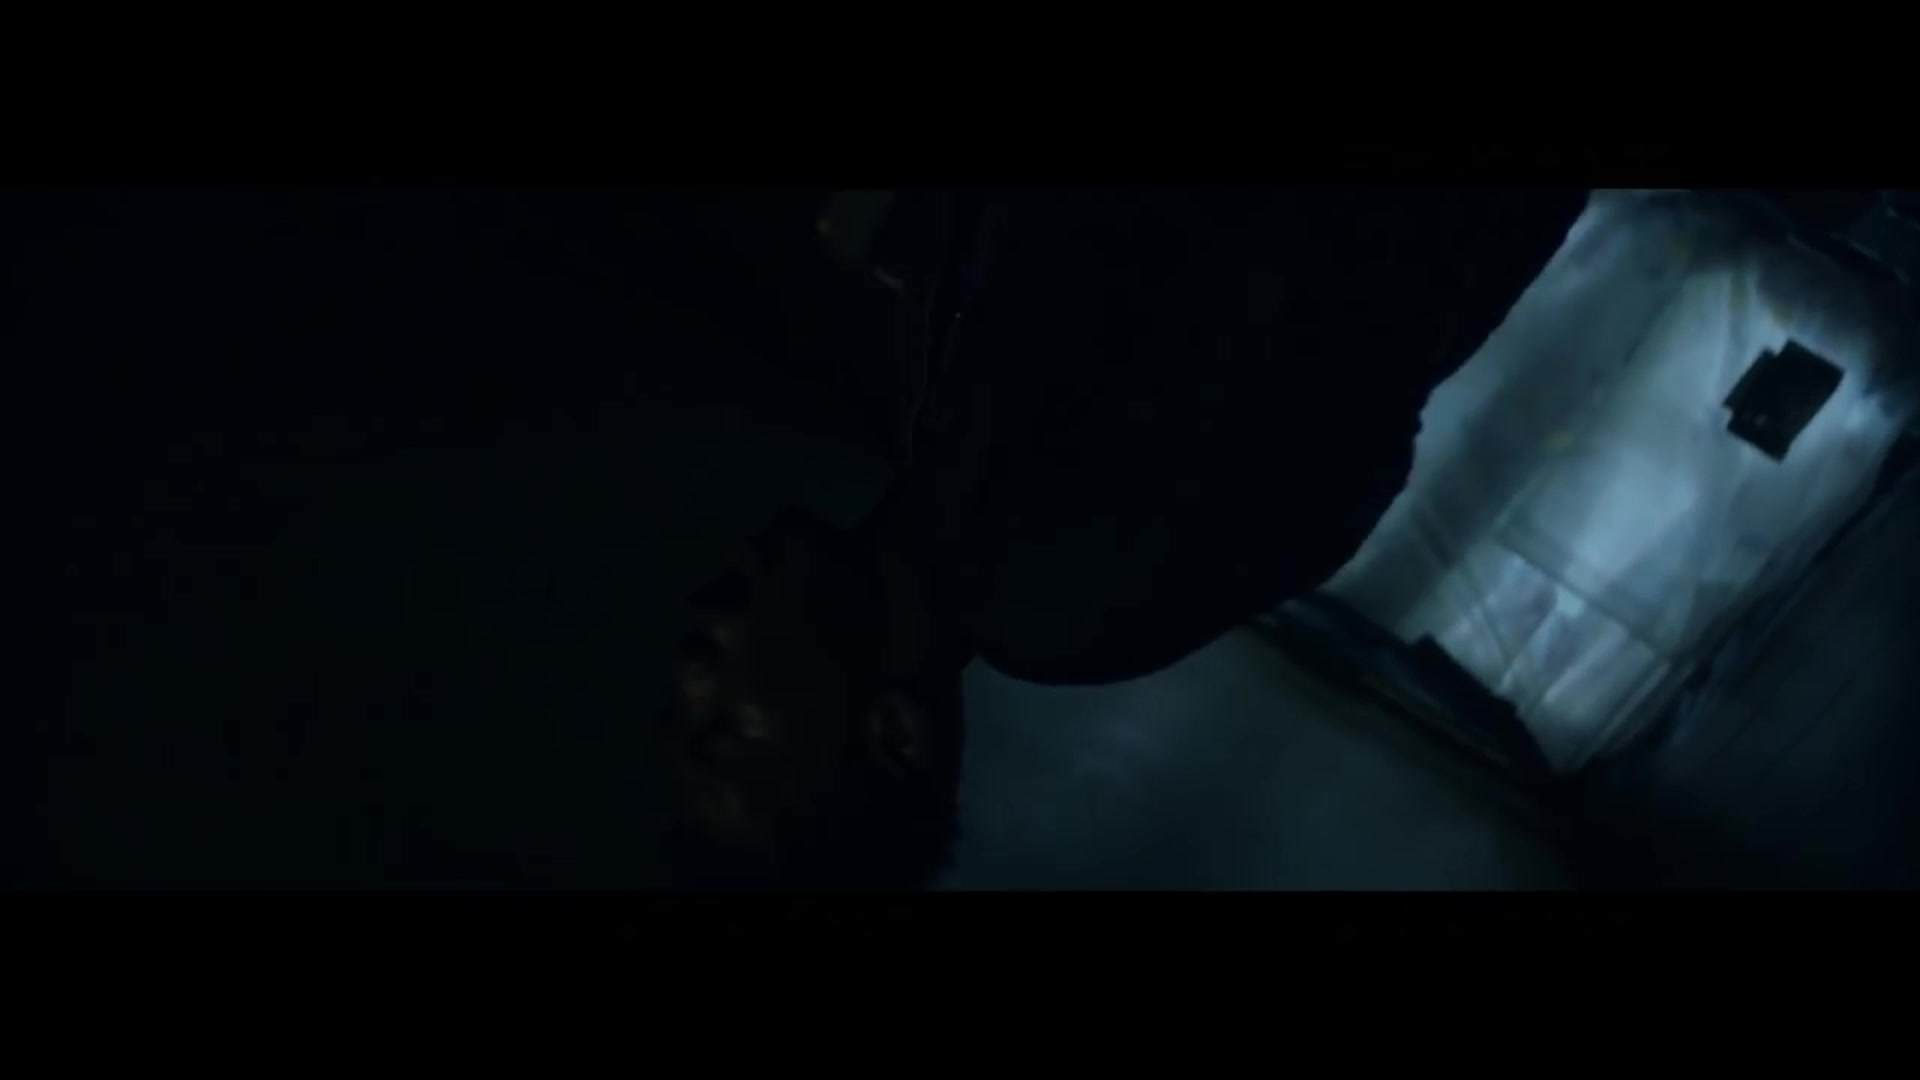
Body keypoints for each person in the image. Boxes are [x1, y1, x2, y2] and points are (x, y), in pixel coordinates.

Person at [651, 188, 1591, 889]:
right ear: (897, 733)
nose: (695, 668)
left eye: (685, 712)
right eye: (729, 730)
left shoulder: (954, 475)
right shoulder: (1059, 578)